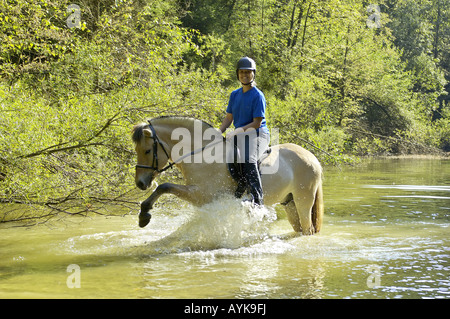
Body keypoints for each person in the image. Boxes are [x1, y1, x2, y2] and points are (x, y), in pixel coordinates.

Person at [219, 57, 270, 206]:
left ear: (253, 74)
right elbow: (229, 118)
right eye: (241, 72)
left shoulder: (258, 95)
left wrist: (236, 132)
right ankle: (241, 186)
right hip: (240, 136)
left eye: (248, 72)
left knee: (248, 159)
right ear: (237, 74)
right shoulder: (234, 94)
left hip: (258, 134)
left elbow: (256, 123)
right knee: (227, 156)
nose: (244, 75)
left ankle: (257, 200)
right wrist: (218, 131)